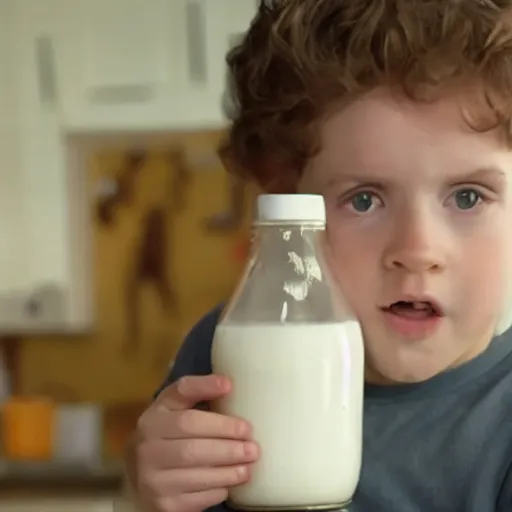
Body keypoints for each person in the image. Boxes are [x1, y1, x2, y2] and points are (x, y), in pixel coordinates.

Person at [124, 1, 512, 511]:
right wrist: (144, 495)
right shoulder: (230, 351)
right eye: (364, 200)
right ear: (287, 205)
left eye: (467, 197)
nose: (417, 251)